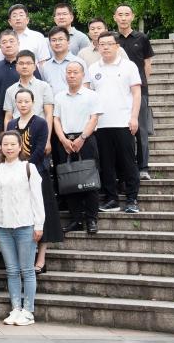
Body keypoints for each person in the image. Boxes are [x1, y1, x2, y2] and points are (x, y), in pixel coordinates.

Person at [0, 131, 46, 327]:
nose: (9, 147)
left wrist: (39, 224)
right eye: (5, 144)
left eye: (13, 144)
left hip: (25, 225)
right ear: (1, 147)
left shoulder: (29, 168)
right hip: (3, 226)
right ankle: (15, 308)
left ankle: (28, 311)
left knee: (27, 270)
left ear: (20, 146)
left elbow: (37, 198)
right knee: (12, 270)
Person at [6, 89, 63, 272]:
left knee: (41, 214)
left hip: (37, 173)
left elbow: (39, 150)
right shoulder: (12, 124)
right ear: (15, 103)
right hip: (15, 176)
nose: (23, 104)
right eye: (19, 101)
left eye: (26, 101)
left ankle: (41, 257)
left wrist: (25, 167)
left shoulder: (40, 123)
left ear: (33, 102)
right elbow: (9, 148)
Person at [89, 31, 142, 214]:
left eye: (109, 44)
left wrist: (134, 117)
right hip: (101, 124)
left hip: (123, 122)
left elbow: (136, 93)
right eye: (101, 44)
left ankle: (132, 199)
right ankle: (111, 199)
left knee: (128, 162)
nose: (105, 47)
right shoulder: (93, 68)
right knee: (106, 164)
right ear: (97, 47)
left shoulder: (129, 66)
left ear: (117, 46)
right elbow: (89, 96)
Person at [54, 62, 102, 234]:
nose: (72, 75)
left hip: (86, 140)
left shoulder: (91, 95)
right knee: (69, 180)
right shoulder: (59, 96)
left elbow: (94, 119)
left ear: (82, 75)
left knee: (90, 180)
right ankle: (76, 219)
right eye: (69, 72)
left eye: (75, 72)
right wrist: (62, 139)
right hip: (65, 142)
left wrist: (82, 138)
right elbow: (56, 119)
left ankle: (91, 219)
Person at [114, 4, 155, 180]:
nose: (123, 18)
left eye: (126, 14)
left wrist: (141, 85)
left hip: (139, 91)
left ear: (132, 16)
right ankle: (125, 168)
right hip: (118, 92)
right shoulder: (112, 40)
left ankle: (143, 167)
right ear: (115, 17)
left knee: (141, 129)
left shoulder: (142, 38)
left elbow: (147, 64)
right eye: (120, 14)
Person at [2, 51, 55, 130]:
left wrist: (47, 136)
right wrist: (8, 135)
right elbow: (8, 117)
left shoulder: (44, 87)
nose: (24, 66)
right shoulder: (10, 90)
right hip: (16, 133)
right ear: (16, 66)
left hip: (38, 131)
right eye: (21, 63)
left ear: (34, 66)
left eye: (28, 63)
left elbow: (49, 114)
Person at [0, 30, 39, 97]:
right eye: (4, 42)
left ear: (18, 44)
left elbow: (38, 89)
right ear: (0, 47)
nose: (8, 45)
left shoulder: (29, 65)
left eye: (11, 41)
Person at [39, 27, 88, 95]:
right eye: (53, 40)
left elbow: (85, 86)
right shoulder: (45, 66)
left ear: (68, 42)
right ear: (49, 43)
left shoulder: (79, 62)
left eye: (61, 39)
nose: (57, 43)